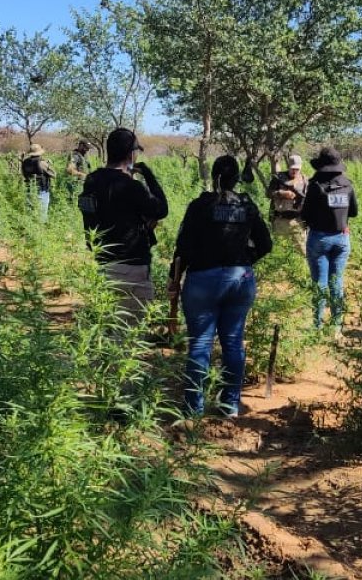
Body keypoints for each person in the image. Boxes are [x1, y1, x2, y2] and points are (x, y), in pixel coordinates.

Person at [168, 155, 272, 418]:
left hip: (203, 280)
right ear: (237, 179)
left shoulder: (200, 206)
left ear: (213, 177)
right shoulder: (247, 206)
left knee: (200, 344)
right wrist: (246, 261)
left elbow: (183, 249)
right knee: (233, 343)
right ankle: (230, 405)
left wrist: (174, 279)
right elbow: (266, 244)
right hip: (241, 280)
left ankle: (193, 409)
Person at [79, 128, 168, 326]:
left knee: (111, 327)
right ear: (131, 154)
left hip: (103, 264)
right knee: (130, 332)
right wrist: (149, 176)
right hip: (131, 267)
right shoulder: (131, 187)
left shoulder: (92, 181)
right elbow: (161, 209)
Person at [299, 146, 358, 335]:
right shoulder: (347, 185)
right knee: (336, 282)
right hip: (342, 238)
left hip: (319, 239)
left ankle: (317, 326)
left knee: (320, 283)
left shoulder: (315, 186)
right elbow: (354, 212)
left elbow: (305, 214)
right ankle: (336, 327)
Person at [267, 154, 308, 253]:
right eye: (293, 168)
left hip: (298, 221)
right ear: (288, 166)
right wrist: (280, 193)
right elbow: (268, 193)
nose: (295, 171)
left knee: (302, 251)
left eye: (297, 169)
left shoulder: (305, 180)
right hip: (280, 220)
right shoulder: (278, 178)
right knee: (279, 251)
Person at [20, 143, 55, 221]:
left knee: (31, 214)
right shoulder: (42, 163)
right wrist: (49, 164)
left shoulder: (25, 162)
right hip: (41, 191)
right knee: (42, 216)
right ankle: (41, 231)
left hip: (29, 190)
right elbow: (53, 175)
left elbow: (23, 174)